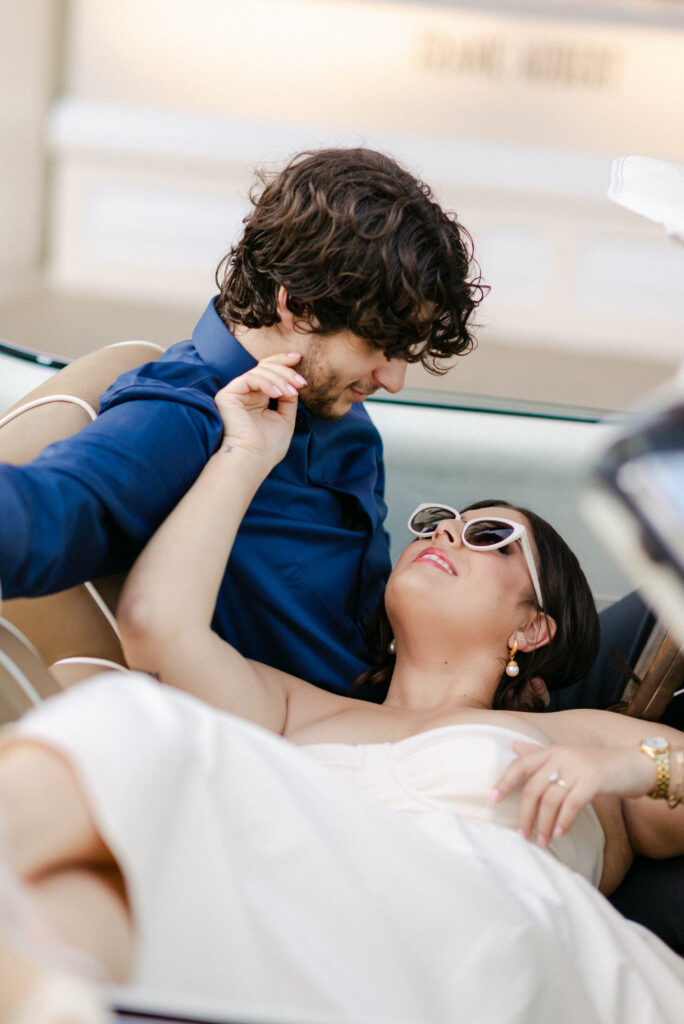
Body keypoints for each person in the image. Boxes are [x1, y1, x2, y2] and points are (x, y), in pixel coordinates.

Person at [1, 357, 684, 1024]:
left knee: (134, 729)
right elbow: (159, 625)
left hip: (472, 942)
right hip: (299, 926)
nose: (448, 530)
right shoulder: (301, 707)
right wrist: (246, 451)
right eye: (441, 521)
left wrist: (628, 768)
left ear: (534, 629)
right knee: (84, 860)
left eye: (491, 536)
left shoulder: (578, 737)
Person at [0, 147, 485, 695]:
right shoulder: (181, 415)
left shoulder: (342, 412)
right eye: (380, 343)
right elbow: (47, 513)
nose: (394, 378)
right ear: (298, 306)